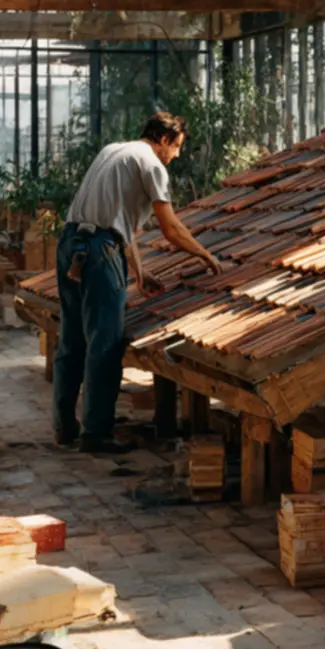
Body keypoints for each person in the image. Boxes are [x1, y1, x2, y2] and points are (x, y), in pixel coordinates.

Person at [52, 110, 222, 454]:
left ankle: (64, 428)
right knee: (105, 344)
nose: (176, 156)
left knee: (72, 339)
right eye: (176, 147)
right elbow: (171, 229)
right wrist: (206, 255)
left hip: (71, 245)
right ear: (162, 140)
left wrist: (140, 273)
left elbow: (119, 226)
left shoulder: (114, 151)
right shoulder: (152, 166)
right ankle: (96, 434)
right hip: (100, 253)